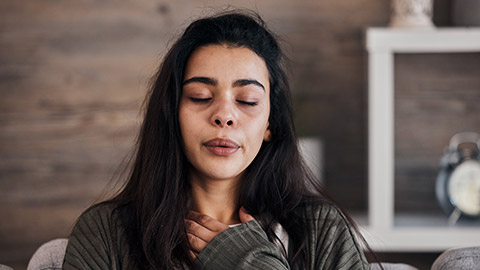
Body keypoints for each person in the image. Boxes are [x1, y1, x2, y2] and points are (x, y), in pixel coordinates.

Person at [62, 10, 371, 270]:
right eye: (200, 96)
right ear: (172, 114)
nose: (224, 116)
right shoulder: (105, 232)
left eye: (247, 100)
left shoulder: (321, 229)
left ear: (270, 124)